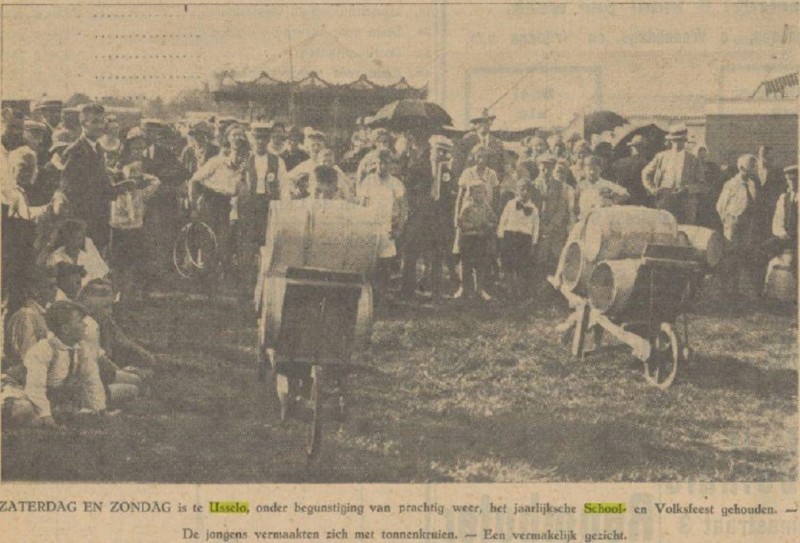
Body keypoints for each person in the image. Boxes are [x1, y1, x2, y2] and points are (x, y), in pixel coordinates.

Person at [12, 301, 107, 428]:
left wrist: (101, 410)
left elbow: (92, 380)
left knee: (70, 412)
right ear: (65, 329)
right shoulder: (43, 349)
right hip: (22, 390)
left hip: (52, 398)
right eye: (79, 321)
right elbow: (35, 389)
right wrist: (47, 418)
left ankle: (48, 416)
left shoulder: (82, 349)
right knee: (24, 410)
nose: (85, 325)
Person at [189, 126, 251, 296]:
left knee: (223, 246)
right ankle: (201, 287)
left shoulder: (243, 171)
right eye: (236, 152)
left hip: (225, 206)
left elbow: (242, 195)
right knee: (206, 244)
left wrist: (244, 177)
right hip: (209, 203)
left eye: (242, 155)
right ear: (230, 149)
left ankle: (217, 288)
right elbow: (194, 180)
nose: (238, 157)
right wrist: (194, 206)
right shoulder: (216, 162)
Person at [238, 122, 289, 302]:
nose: (260, 142)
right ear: (252, 139)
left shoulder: (277, 161)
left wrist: (283, 211)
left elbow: (284, 188)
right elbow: (236, 187)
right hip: (248, 210)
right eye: (257, 138)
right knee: (247, 251)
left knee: (268, 250)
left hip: (269, 209)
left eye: (264, 138)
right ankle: (245, 293)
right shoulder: (245, 160)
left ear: (268, 140)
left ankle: (266, 294)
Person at [59, 103, 116, 252]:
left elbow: (101, 182)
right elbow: (67, 190)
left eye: (102, 121)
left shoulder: (98, 148)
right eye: (95, 122)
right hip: (83, 221)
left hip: (100, 218)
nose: (100, 126)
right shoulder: (75, 151)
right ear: (83, 124)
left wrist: (116, 189)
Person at [141, 119, 191, 279]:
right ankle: (145, 273)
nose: (150, 136)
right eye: (147, 131)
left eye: (154, 132)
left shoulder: (165, 152)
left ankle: (162, 272)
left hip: (162, 202)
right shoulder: (132, 150)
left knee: (162, 235)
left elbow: (182, 173)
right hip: (139, 202)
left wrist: (162, 181)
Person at [108, 162, 161, 302]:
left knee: (131, 266)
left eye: (133, 182)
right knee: (117, 266)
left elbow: (156, 182)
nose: (130, 186)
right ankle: (114, 296)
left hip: (135, 233)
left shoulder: (141, 194)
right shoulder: (114, 196)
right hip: (118, 233)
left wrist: (142, 175)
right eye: (127, 182)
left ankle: (126, 298)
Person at [359, 149, 407, 301]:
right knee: (368, 261)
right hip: (369, 226)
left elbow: (404, 208)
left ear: (391, 165)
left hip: (386, 227)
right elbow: (362, 205)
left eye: (385, 163)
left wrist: (398, 228)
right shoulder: (368, 181)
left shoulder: (396, 183)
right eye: (379, 163)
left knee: (385, 262)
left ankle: (384, 294)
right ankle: (368, 296)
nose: (381, 166)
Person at [641, 123, 706, 224]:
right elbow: (645, 173)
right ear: (670, 141)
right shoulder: (661, 157)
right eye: (675, 140)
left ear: (685, 141)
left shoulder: (693, 160)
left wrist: (687, 189)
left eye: (680, 140)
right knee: (664, 228)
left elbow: (701, 184)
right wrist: (652, 189)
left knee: (684, 231)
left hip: (685, 203)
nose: (677, 143)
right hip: (664, 201)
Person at [716, 154, 759, 301]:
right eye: (750, 166)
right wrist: (728, 221)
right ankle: (724, 290)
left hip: (747, 224)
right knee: (729, 256)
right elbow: (720, 205)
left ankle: (734, 289)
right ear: (741, 167)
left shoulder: (752, 184)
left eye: (754, 166)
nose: (753, 169)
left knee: (740, 256)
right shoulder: (731, 184)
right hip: (733, 224)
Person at [4, 267, 58, 372]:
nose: (56, 290)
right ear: (35, 290)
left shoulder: (43, 313)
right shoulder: (26, 316)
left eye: (56, 285)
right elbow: (27, 356)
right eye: (50, 287)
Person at [532, 154, 575, 281]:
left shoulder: (559, 186)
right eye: (543, 167)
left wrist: (552, 225)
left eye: (549, 168)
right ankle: (539, 285)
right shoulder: (533, 185)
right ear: (539, 167)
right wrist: (541, 226)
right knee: (540, 257)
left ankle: (554, 285)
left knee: (556, 256)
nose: (545, 170)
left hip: (555, 228)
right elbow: (532, 207)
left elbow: (562, 207)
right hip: (539, 227)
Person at [497, 183, 539, 302]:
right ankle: (510, 289)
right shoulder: (510, 204)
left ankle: (519, 291)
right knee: (509, 264)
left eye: (528, 190)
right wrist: (501, 235)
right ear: (517, 190)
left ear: (531, 193)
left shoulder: (534, 208)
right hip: (510, 236)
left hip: (525, 239)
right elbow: (503, 219)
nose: (524, 193)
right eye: (522, 189)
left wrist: (533, 242)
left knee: (521, 265)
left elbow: (536, 227)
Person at [457, 183, 496, 301]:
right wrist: (472, 226)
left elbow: (493, 221)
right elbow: (461, 222)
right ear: (471, 194)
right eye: (475, 192)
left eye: (481, 192)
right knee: (466, 265)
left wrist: (486, 227)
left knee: (481, 265)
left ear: (485, 194)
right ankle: (464, 288)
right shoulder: (467, 206)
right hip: (469, 238)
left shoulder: (487, 207)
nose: (478, 195)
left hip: (481, 239)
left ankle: (480, 288)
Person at [46, 218, 110, 286]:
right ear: (65, 238)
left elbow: (103, 274)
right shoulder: (55, 257)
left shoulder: (86, 255)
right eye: (72, 238)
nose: (76, 242)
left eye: (79, 238)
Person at [765, 165, 798, 293]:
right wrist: (782, 233)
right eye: (790, 181)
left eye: (796, 180)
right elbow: (777, 220)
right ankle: (769, 289)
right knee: (764, 250)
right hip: (786, 237)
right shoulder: (784, 198)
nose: (793, 184)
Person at [452, 109, 505, 181]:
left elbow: (501, 167)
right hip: (470, 184)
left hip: (491, 184)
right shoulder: (465, 141)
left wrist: (497, 183)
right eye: (479, 122)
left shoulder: (497, 143)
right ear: (475, 125)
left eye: (485, 122)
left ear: (490, 123)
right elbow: (458, 165)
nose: (483, 125)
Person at [576, 155, 629, 221]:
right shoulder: (580, 185)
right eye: (589, 169)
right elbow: (575, 203)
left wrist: (613, 200)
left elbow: (625, 194)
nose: (592, 172)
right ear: (584, 170)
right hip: (584, 219)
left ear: (600, 170)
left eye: (595, 169)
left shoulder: (606, 184)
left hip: (601, 220)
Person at [610, 134, 650, 206]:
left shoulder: (618, 163)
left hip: (622, 198)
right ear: (644, 149)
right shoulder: (647, 164)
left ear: (631, 148)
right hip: (639, 200)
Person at [696, 146, 723, 228]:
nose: (702, 157)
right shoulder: (692, 165)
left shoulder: (713, 167)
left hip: (709, 198)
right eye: (700, 152)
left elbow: (717, 181)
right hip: (697, 198)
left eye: (704, 153)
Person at [32, 99, 63, 167]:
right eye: (52, 111)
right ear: (43, 113)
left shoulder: (63, 129)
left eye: (58, 111)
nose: (56, 114)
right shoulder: (39, 130)